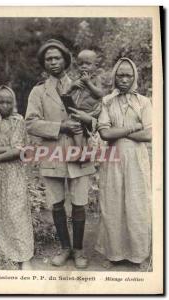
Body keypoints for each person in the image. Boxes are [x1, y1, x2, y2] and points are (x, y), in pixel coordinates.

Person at [25, 39, 96, 269]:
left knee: (79, 202)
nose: (53, 62)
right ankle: (65, 248)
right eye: (48, 59)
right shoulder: (38, 91)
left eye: (57, 57)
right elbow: (31, 123)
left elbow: (97, 113)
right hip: (53, 152)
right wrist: (60, 127)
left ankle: (78, 250)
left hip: (79, 150)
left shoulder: (83, 85)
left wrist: (87, 122)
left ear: (66, 60)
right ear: (43, 64)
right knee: (56, 203)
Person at [95, 57, 152, 267]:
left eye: (128, 75)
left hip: (137, 158)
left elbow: (149, 135)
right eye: (120, 75)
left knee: (137, 204)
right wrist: (131, 128)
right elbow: (105, 134)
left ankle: (137, 255)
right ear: (114, 77)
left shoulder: (144, 102)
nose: (124, 79)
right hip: (113, 158)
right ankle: (114, 255)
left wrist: (119, 133)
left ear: (134, 77)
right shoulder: (107, 101)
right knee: (112, 203)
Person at [0, 85, 34, 270]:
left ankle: (24, 257)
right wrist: (7, 149)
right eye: (1, 101)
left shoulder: (18, 121)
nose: (5, 105)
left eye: (9, 102)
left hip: (13, 173)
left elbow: (18, 150)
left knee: (16, 213)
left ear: (13, 103)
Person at [67, 49, 103, 151]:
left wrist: (88, 83)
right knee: (76, 128)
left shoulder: (96, 79)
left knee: (90, 135)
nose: (83, 66)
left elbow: (100, 93)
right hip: (78, 111)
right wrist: (72, 86)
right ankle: (79, 150)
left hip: (90, 112)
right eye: (80, 64)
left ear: (95, 66)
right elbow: (67, 94)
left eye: (88, 64)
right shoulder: (77, 80)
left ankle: (88, 151)